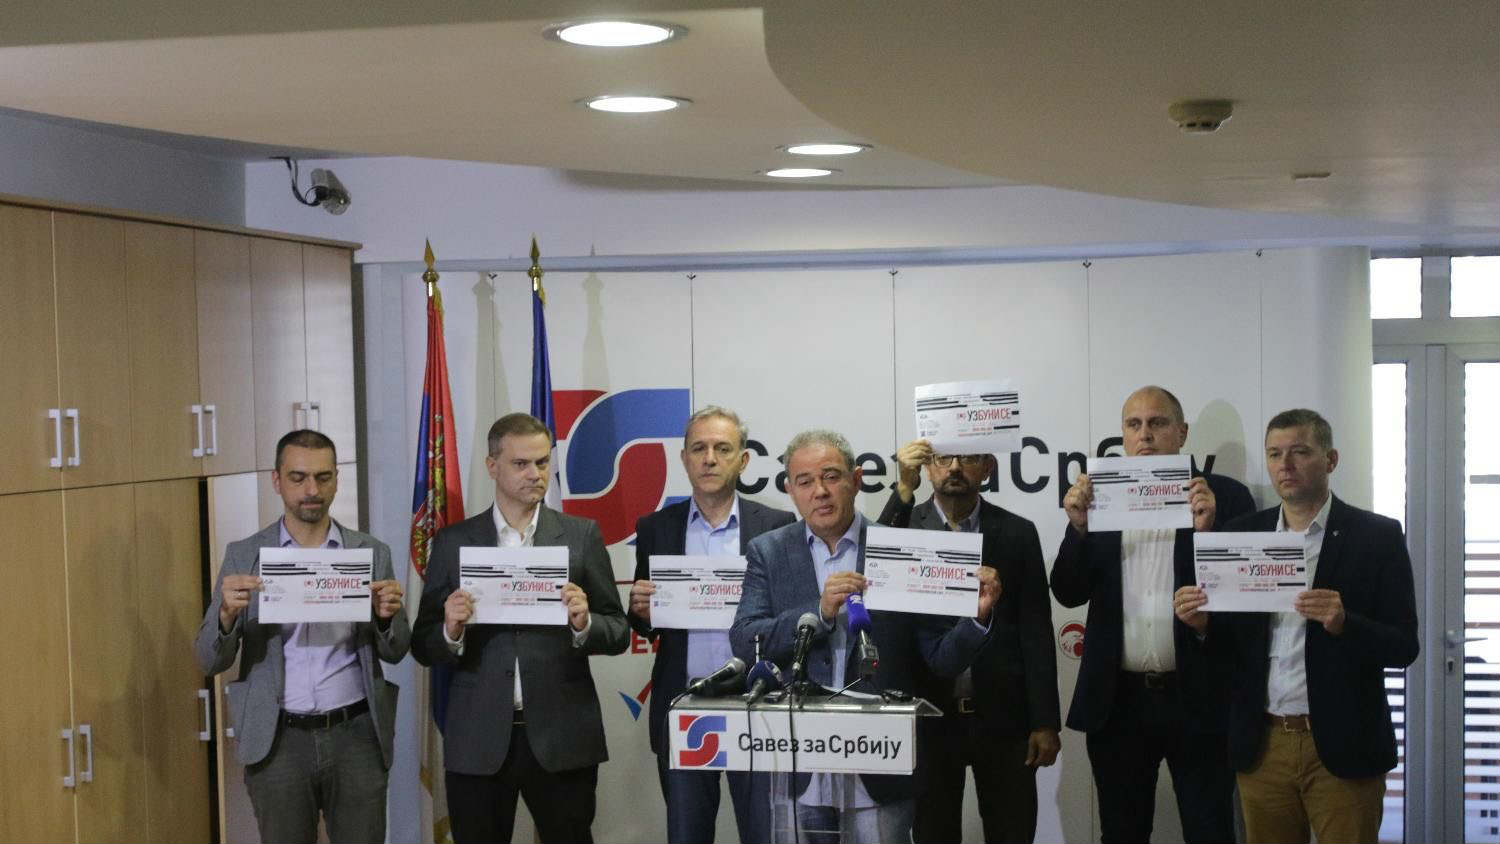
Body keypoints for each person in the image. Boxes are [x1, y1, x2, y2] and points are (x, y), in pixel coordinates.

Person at [730, 429, 1001, 844]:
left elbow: (940, 658)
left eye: (831, 476)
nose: (820, 491)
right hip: (798, 765)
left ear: (856, 480)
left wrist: (976, 620)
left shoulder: (900, 549)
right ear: (790, 490)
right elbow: (745, 638)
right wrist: (818, 612)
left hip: (880, 766)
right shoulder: (767, 551)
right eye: (805, 481)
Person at [1175, 409, 1418, 843]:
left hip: (1344, 746)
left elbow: (1404, 646)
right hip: (1263, 745)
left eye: (1300, 452)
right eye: (1274, 454)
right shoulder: (1240, 534)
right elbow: (1228, 650)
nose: (1285, 465)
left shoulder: (1376, 535)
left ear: (1331, 459)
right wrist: (1202, 625)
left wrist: (1345, 623)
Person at [412, 412, 629, 844]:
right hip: (478, 738)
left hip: (563, 735)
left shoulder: (581, 536)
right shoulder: (453, 542)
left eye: (543, 462)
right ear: (492, 466)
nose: (536, 474)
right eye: (521, 464)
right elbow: (422, 642)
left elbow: (619, 631)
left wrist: (584, 624)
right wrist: (450, 630)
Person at [1051, 385, 1255, 843]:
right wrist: (1078, 528)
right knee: (1121, 834)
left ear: (1182, 433)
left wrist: (1209, 532)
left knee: (1210, 831)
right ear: (1123, 435)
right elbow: (1067, 591)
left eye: (1158, 423)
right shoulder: (1101, 497)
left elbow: (1247, 602)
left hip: (1199, 697)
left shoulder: (1224, 497)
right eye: (1134, 424)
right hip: (1119, 702)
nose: (1145, 434)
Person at [195, 429, 409, 844]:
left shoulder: (370, 552)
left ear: (336, 480)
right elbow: (208, 659)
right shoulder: (245, 554)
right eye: (298, 478)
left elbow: (397, 649)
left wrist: (387, 619)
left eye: (323, 477)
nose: (312, 490)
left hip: (355, 735)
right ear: (277, 481)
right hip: (278, 740)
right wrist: (226, 615)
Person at [628, 407, 796, 844]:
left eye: (722, 448)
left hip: (757, 705)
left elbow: (786, 620)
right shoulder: (655, 528)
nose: (709, 459)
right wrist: (641, 611)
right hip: (684, 704)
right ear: (684, 458)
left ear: (743, 460)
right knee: (687, 834)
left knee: (764, 834)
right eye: (699, 448)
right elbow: (648, 625)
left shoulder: (776, 527)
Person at [879, 439, 1060, 844]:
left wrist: (1045, 721)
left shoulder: (1017, 532)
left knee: (1012, 833)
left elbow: (1035, 631)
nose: (955, 467)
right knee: (933, 834)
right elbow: (875, 561)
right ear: (928, 467)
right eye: (943, 458)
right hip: (929, 720)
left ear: (988, 467)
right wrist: (903, 488)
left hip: (1004, 718)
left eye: (969, 458)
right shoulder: (904, 525)